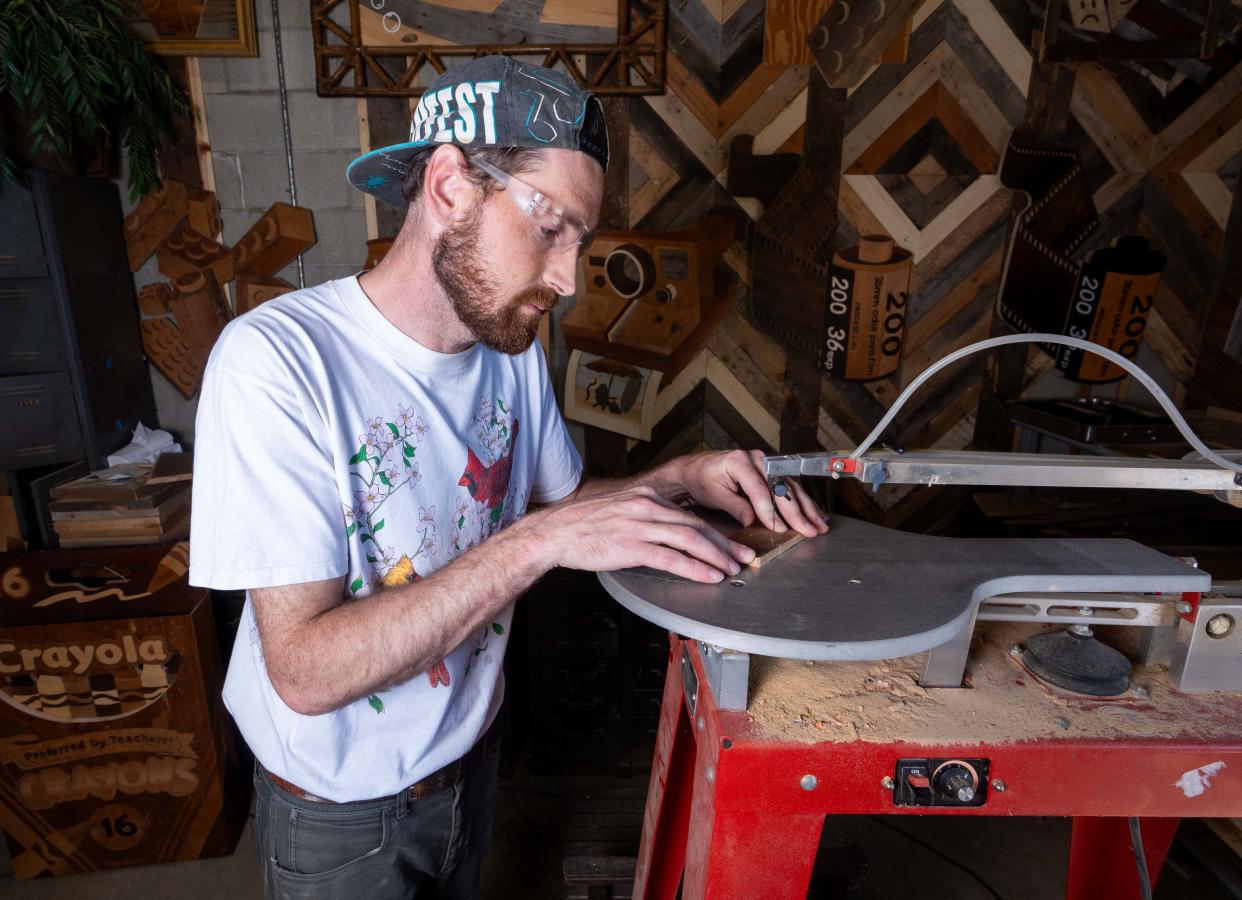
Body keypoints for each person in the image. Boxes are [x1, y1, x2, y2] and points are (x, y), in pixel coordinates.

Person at [189, 56, 827, 899]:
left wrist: (680, 477)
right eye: (551, 225)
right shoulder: (278, 363)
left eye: (580, 242)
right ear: (451, 186)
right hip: (340, 816)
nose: (565, 280)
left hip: (469, 764)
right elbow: (306, 671)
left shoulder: (507, 344)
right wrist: (544, 540)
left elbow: (564, 508)